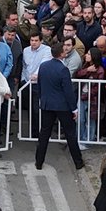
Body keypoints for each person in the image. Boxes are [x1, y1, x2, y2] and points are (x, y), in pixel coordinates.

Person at [34, 42, 85, 171]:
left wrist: (43, 99)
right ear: (62, 54)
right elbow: (68, 91)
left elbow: (39, 85)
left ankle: (38, 162)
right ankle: (78, 162)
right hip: (62, 106)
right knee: (70, 134)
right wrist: (74, 108)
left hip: (47, 104)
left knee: (44, 133)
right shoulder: (63, 69)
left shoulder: (43, 66)